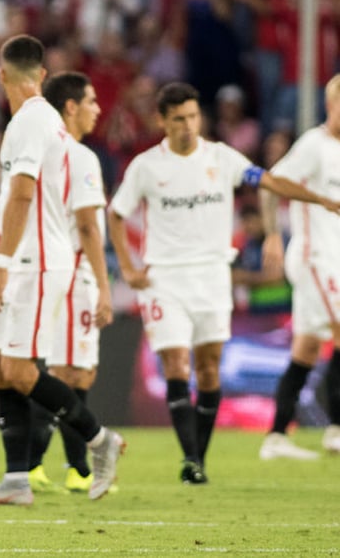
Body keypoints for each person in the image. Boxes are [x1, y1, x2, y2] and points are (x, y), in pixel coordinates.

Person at [108, 82, 340, 483]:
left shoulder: (220, 157)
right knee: (177, 364)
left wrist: (317, 198)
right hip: (167, 277)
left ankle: (235, 444)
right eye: (178, 118)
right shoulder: (146, 166)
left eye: (193, 116)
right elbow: (116, 214)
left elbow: (266, 180)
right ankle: (192, 458)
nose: (187, 125)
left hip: (213, 276)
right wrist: (129, 269)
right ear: (162, 121)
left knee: (213, 368)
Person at [0, 35, 125, 507]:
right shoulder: (36, 122)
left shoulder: (31, 121)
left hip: (33, 261)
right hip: (28, 258)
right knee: (1, 366)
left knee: (17, 367)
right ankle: (16, 480)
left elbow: (23, 193)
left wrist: (1, 264)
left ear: (1, 74)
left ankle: (99, 441)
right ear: (42, 74)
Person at [26, 72, 113, 494]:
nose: (99, 108)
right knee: (67, 372)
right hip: (75, 272)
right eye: (92, 101)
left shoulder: (47, 153)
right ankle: (45, 465)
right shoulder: (78, 157)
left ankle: (70, 468)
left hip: (59, 270)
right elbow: (89, 227)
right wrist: (104, 286)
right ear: (71, 106)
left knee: (77, 374)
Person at [259, 74, 340, 460]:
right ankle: (337, 430)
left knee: (307, 348)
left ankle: (275, 436)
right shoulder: (314, 145)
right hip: (314, 258)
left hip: (334, 260)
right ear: (330, 104)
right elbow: (270, 183)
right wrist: (274, 235)